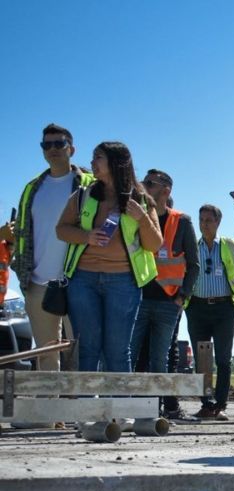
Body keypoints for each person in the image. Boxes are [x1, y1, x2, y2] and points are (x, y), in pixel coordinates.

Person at [56, 142, 163, 372]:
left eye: (98, 158)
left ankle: (120, 408)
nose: (92, 162)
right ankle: (87, 407)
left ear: (116, 163)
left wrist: (143, 219)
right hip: (83, 280)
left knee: (117, 350)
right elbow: (61, 230)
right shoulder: (83, 195)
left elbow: (154, 245)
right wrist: (87, 236)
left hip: (124, 282)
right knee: (87, 347)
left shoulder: (142, 201)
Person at [10, 123, 93, 372]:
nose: (53, 149)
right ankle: (50, 408)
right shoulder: (32, 188)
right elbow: (24, 233)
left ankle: (80, 407)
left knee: (82, 351)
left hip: (78, 280)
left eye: (59, 144)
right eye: (47, 144)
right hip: (37, 283)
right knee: (46, 354)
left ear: (72, 149)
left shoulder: (88, 184)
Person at [130, 170, 200, 416]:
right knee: (130, 354)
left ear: (166, 190)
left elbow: (194, 264)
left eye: (150, 184)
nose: (144, 187)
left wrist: (183, 296)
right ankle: (132, 407)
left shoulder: (181, 221)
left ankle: (153, 409)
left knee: (160, 359)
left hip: (167, 302)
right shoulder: (136, 217)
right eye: (143, 183)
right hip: (137, 299)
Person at [186, 204, 234, 420]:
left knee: (223, 358)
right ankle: (206, 405)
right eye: (201, 220)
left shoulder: (229, 246)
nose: (204, 224)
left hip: (224, 309)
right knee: (202, 359)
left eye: (209, 220)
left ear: (218, 223)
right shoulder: (192, 248)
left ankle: (220, 405)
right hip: (197, 308)